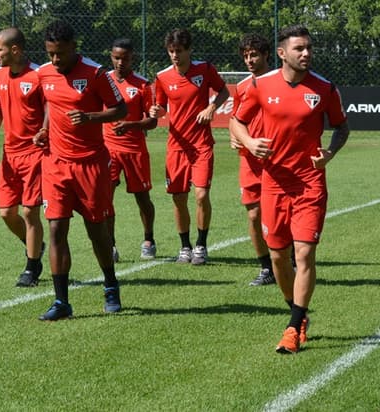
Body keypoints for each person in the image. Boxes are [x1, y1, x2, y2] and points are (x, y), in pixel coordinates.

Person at [230, 25, 349, 354]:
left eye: (309, 47)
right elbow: (237, 122)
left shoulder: (324, 88)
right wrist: (250, 141)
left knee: (304, 254)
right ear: (282, 53)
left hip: (310, 183)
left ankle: (293, 326)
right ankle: (296, 310)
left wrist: (331, 151)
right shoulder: (260, 86)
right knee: (279, 257)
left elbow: (341, 127)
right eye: (299, 49)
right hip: (274, 184)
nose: (306, 53)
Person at [34, 20, 128, 320]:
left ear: (74, 47)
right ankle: (62, 302)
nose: (55, 60)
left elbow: (121, 108)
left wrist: (89, 117)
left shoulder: (96, 73)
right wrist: (45, 129)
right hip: (55, 164)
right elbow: (50, 103)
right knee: (56, 228)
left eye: (60, 53)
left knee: (96, 231)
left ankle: (111, 284)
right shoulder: (44, 73)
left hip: (91, 164)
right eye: (50, 53)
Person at [149, 28, 230, 265]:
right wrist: (157, 111)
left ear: (189, 50)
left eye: (179, 51)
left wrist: (211, 108)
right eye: (171, 51)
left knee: (202, 194)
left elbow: (224, 91)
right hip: (176, 146)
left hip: (201, 143)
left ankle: (201, 245)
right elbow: (161, 108)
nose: (175, 55)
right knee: (178, 198)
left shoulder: (204, 69)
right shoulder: (162, 76)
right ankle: (185, 246)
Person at [0, 27, 46, 288]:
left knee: (30, 212)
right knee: (7, 213)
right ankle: (34, 246)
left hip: (35, 154)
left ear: (15, 50)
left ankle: (31, 267)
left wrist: (44, 132)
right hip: (10, 155)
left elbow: (52, 111)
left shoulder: (39, 75)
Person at [103, 38, 158, 262]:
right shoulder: (102, 80)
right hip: (108, 149)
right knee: (106, 198)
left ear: (131, 58)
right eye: (116, 58)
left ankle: (149, 240)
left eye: (124, 58)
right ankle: (111, 245)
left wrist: (131, 125)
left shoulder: (143, 85)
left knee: (142, 197)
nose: (120, 62)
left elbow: (152, 122)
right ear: (111, 57)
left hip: (135, 149)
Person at [229, 33, 276, 286]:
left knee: (281, 215)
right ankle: (266, 268)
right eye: (246, 56)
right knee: (253, 215)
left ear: (267, 55)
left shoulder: (281, 82)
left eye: (254, 55)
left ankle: (287, 259)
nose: (249, 60)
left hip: (275, 159)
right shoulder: (242, 87)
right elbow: (235, 120)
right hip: (249, 161)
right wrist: (235, 137)